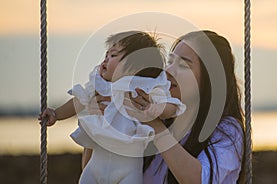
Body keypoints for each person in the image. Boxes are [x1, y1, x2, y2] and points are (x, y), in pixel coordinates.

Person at [92, 30, 245, 183]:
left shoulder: (227, 130)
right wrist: (100, 125)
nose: (169, 71)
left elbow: (197, 180)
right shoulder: (151, 124)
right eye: (170, 61)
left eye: (183, 65)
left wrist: (155, 125)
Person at [39, 31, 186, 184]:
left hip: (128, 169)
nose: (105, 60)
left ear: (135, 65)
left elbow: (172, 107)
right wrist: (56, 114)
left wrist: (156, 109)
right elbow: (79, 100)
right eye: (106, 55)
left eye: (113, 56)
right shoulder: (99, 87)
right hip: (96, 165)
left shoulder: (144, 89)